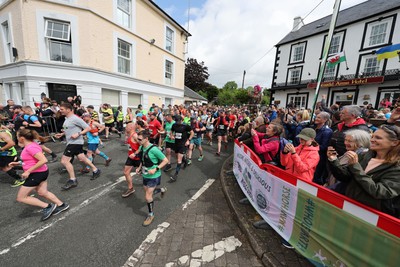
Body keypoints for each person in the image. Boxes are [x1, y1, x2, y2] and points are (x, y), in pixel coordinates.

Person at [327, 125, 400, 218]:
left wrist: (356, 167)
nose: (372, 140)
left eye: (378, 138)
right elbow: (347, 178)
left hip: (369, 214)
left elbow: (379, 192)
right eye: (372, 136)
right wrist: (334, 161)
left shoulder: (396, 167)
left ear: (394, 142)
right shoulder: (365, 155)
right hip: (350, 204)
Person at [9, 129, 69, 221]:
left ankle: (48, 206)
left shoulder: (30, 147)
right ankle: (61, 205)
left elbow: (43, 160)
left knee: (21, 197)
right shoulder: (30, 145)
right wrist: (18, 164)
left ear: (21, 138)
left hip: (37, 174)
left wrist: (28, 171)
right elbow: (31, 161)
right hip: (40, 172)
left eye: (17, 137)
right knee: (42, 192)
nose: (16, 139)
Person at [54, 103, 101, 190]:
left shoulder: (75, 118)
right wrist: (62, 134)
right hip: (72, 142)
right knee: (82, 158)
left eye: (62, 109)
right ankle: (96, 170)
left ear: (68, 109)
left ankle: (73, 180)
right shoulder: (67, 119)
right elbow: (69, 129)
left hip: (75, 142)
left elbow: (88, 128)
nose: (60, 111)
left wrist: (78, 133)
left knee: (64, 161)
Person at [135, 130, 168, 226]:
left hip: (154, 176)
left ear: (146, 139)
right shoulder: (141, 147)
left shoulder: (154, 149)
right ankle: (162, 189)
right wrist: (139, 168)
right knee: (148, 192)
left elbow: (165, 160)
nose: (138, 140)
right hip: (145, 175)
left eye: (140, 139)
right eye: (137, 138)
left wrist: (156, 169)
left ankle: (151, 214)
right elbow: (142, 159)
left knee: (147, 196)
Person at [326, 129, 370, 194]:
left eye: (350, 141)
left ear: (361, 142)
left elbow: (345, 176)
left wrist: (334, 160)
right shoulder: (350, 152)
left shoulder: (361, 156)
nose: (346, 143)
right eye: (346, 140)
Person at [169, 115, 194, 182]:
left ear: (181, 120)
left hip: (183, 144)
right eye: (176, 121)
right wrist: (171, 136)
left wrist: (188, 140)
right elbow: (171, 131)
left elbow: (192, 133)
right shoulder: (174, 125)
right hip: (176, 143)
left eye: (178, 121)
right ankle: (185, 161)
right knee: (177, 155)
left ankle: (175, 175)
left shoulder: (186, 126)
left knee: (178, 160)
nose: (177, 122)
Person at [122, 122, 142, 198]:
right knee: (126, 172)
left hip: (138, 158)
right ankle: (131, 188)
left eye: (126, 127)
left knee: (146, 173)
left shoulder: (135, 136)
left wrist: (135, 153)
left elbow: (143, 145)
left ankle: (153, 183)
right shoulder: (129, 135)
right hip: (131, 158)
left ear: (130, 128)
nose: (125, 128)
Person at [313, 112, 333, 185]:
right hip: (312, 155)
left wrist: (313, 143)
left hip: (319, 158)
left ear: (325, 120)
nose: (316, 119)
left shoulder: (327, 131)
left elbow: (324, 147)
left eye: (319, 118)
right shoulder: (314, 127)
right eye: (316, 117)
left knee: (316, 176)